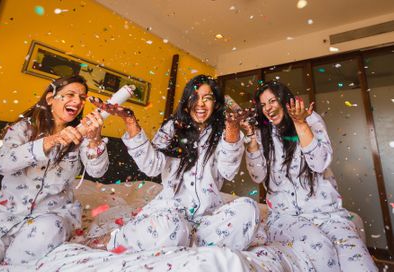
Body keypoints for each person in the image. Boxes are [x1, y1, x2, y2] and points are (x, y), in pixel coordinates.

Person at [0, 75, 109, 271]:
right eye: (70, 94)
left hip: (48, 218)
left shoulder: (80, 137)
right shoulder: (23, 128)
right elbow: (0, 164)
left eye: (82, 97)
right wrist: (49, 141)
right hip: (5, 213)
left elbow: (97, 171)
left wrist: (95, 140)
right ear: (50, 99)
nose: (78, 101)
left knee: (45, 232)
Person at [92, 74, 259, 252]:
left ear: (216, 104)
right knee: (172, 228)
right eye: (195, 97)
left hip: (207, 219)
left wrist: (232, 128)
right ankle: (121, 239)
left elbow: (228, 172)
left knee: (248, 209)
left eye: (207, 98)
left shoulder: (225, 132)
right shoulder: (172, 128)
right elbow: (152, 167)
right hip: (171, 214)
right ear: (186, 102)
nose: (200, 103)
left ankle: (188, 243)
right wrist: (130, 122)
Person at [243, 81, 377, 271]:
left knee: (360, 264)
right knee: (319, 247)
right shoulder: (262, 133)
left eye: (272, 101)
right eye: (263, 105)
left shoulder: (310, 119)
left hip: (328, 214)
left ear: (284, 100)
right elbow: (257, 176)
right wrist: (251, 140)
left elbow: (319, 163)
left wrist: (300, 123)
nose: (268, 108)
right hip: (286, 217)